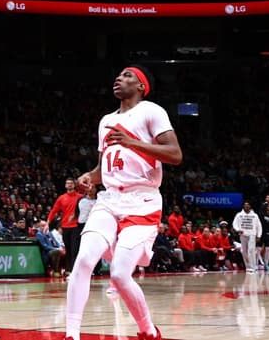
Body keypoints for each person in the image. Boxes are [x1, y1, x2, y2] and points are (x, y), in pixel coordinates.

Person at [65, 66, 182, 340]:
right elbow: (103, 166)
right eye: (117, 75)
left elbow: (175, 155)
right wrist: (90, 176)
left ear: (141, 86)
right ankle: (71, 334)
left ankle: (148, 330)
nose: (119, 78)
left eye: (127, 76)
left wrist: (132, 142)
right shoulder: (105, 120)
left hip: (142, 200)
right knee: (82, 261)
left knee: (119, 274)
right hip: (109, 199)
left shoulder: (152, 111)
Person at [47, 177, 83, 272]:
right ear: (65, 185)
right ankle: (68, 269)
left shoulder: (80, 197)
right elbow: (54, 211)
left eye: (71, 183)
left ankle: (74, 269)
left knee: (75, 248)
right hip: (65, 227)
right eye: (67, 183)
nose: (69, 185)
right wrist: (48, 222)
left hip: (76, 226)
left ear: (74, 185)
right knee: (68, 248)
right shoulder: (61, 198)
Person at [232, 201, 263, 272]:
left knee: (251, 250)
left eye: (248, 205)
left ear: (250, 206)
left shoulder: (255, 215)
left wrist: (259, 235)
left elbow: (259, 226)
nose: (246, 206)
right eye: (245, 205)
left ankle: (253, 266)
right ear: (243, 206)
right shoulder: (239, 215)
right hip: (243, 235)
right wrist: (238, 230)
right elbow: (234, 224)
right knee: (244, 251)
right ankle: (247, 266)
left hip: (252, 234)